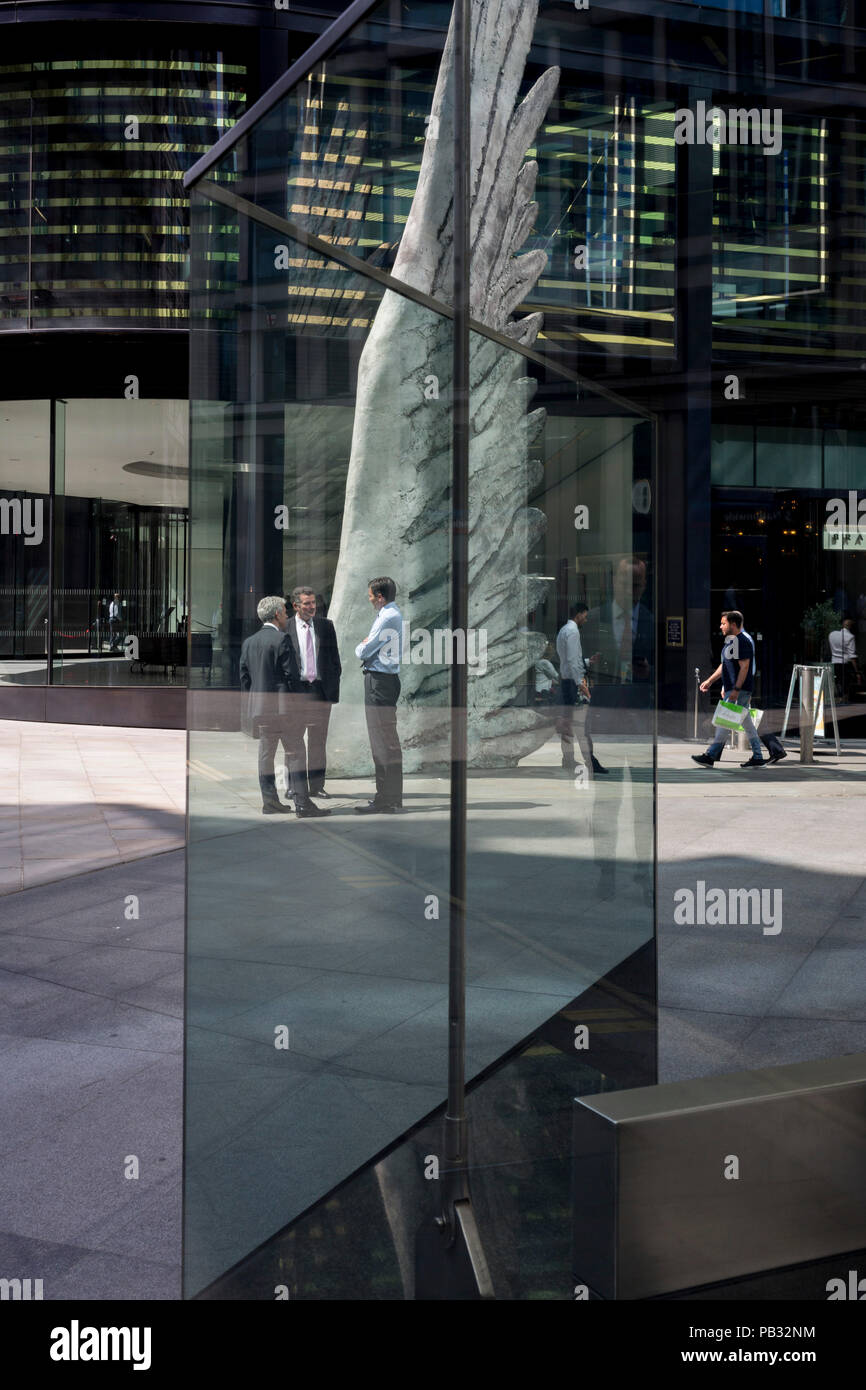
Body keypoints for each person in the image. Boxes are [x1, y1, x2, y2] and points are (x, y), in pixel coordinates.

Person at [239, 595, 329, 819]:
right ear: (277, 614)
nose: (287, 614)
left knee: (266, 755)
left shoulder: (249, 642)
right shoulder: (282, 640)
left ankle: (270, 801)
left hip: (263, 710)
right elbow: (291, 677)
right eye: (284, 611)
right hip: (285, 711)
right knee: (296, 752)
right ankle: (302, 803)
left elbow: (245, 678)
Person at [282, 586, 341, 800]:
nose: (311, 607)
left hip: (319, 691)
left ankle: (317, 787)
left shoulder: (326, 626)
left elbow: (335, 660)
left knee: (318, 741)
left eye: (313, 603)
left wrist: (332, 690)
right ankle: (294, 786)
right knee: (294, 741)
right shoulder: (285, 627)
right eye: (306, 603)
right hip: (296, 693)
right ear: (296, 605)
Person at [692, 610, 766, 768]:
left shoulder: (742, 641)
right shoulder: (732, 641)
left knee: (724, 722)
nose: (720, 626)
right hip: (736, 690)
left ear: (733, 624)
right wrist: (710, 681)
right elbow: (724, 665)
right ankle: (758, 757)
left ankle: (711, 755)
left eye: (723, 623)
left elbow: (745, 667)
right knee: (746, 724)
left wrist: (736, 690)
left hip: (738, 691)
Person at [354, 576, 403, 814]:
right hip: (383, 681)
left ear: (380, 596)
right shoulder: (390, 614)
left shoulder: (388, 617)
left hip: (379, 682)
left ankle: (387, 798)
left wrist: (361, 646)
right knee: (385, 741)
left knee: (382, 742)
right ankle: (390, 797)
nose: (370, 599)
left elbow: (364, 649)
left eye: (372, 596)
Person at [555, 604, 593, 777]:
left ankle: (567, 758)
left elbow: (568, 659)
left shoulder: (563, 630)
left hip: (566, 680)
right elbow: (571, 660)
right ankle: (570, 759)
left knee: (567, 722)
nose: (586, 619)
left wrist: (588, 661)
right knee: (574, 723)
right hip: (571, 683)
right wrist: (581, 683)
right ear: (578, 615)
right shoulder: (573, 631)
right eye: (584, 616)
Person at [829, 615, 861, 701]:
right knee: (846, 687)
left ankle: (839, 699)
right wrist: (857, 672)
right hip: (845, 664)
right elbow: (852, 656)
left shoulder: (832, 634)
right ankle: (845, 700)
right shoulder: (850, 637)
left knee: (838, 683)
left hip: (834, 664)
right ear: (850, 625)